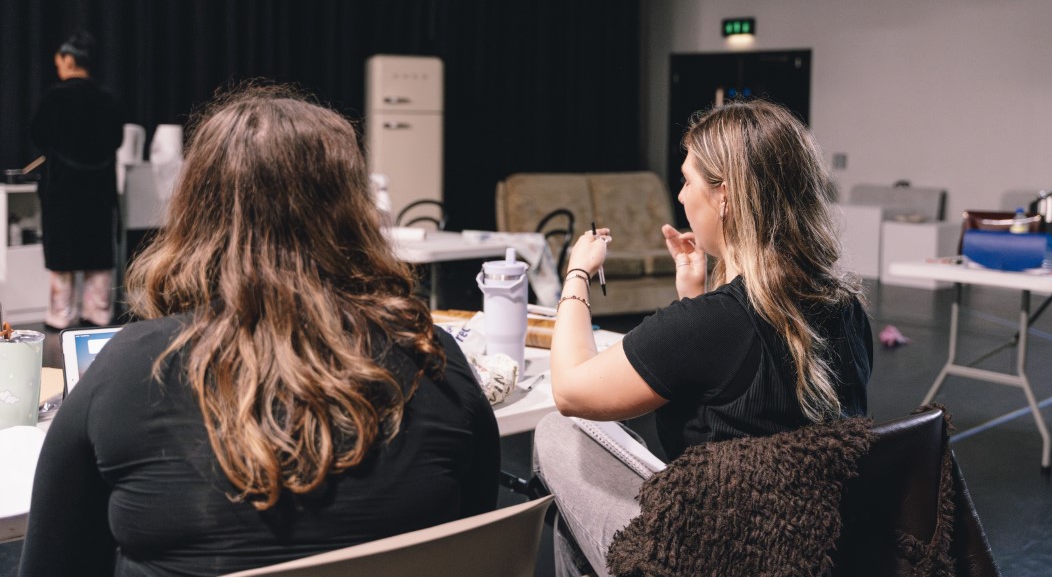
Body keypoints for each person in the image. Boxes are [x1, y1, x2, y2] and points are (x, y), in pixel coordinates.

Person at [20, 84, 500, 576]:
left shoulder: (129, 369)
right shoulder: (432, 360)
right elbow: (481, 546)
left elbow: (49, 563)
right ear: (354, 212)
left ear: (195, 209)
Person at [534, 99, 874, 577]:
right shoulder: (846, 307)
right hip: (812, 548)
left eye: (688, 180)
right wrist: (694, 293)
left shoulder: (709, 325)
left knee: (558, 433)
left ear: (725, 196)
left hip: (710, 554)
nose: (681, 195)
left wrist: (576, 273)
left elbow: (570, 390)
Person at [29, 30, 125, 330]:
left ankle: (61, 316)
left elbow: (38, 136)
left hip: (63, 191)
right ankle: (98, 314)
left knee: (62, 258)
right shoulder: (108, 100)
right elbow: (117, 140)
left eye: (59, 61)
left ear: (69, 60)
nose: (58, 66)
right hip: (98, 191)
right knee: (98, 255)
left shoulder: (54, 98)